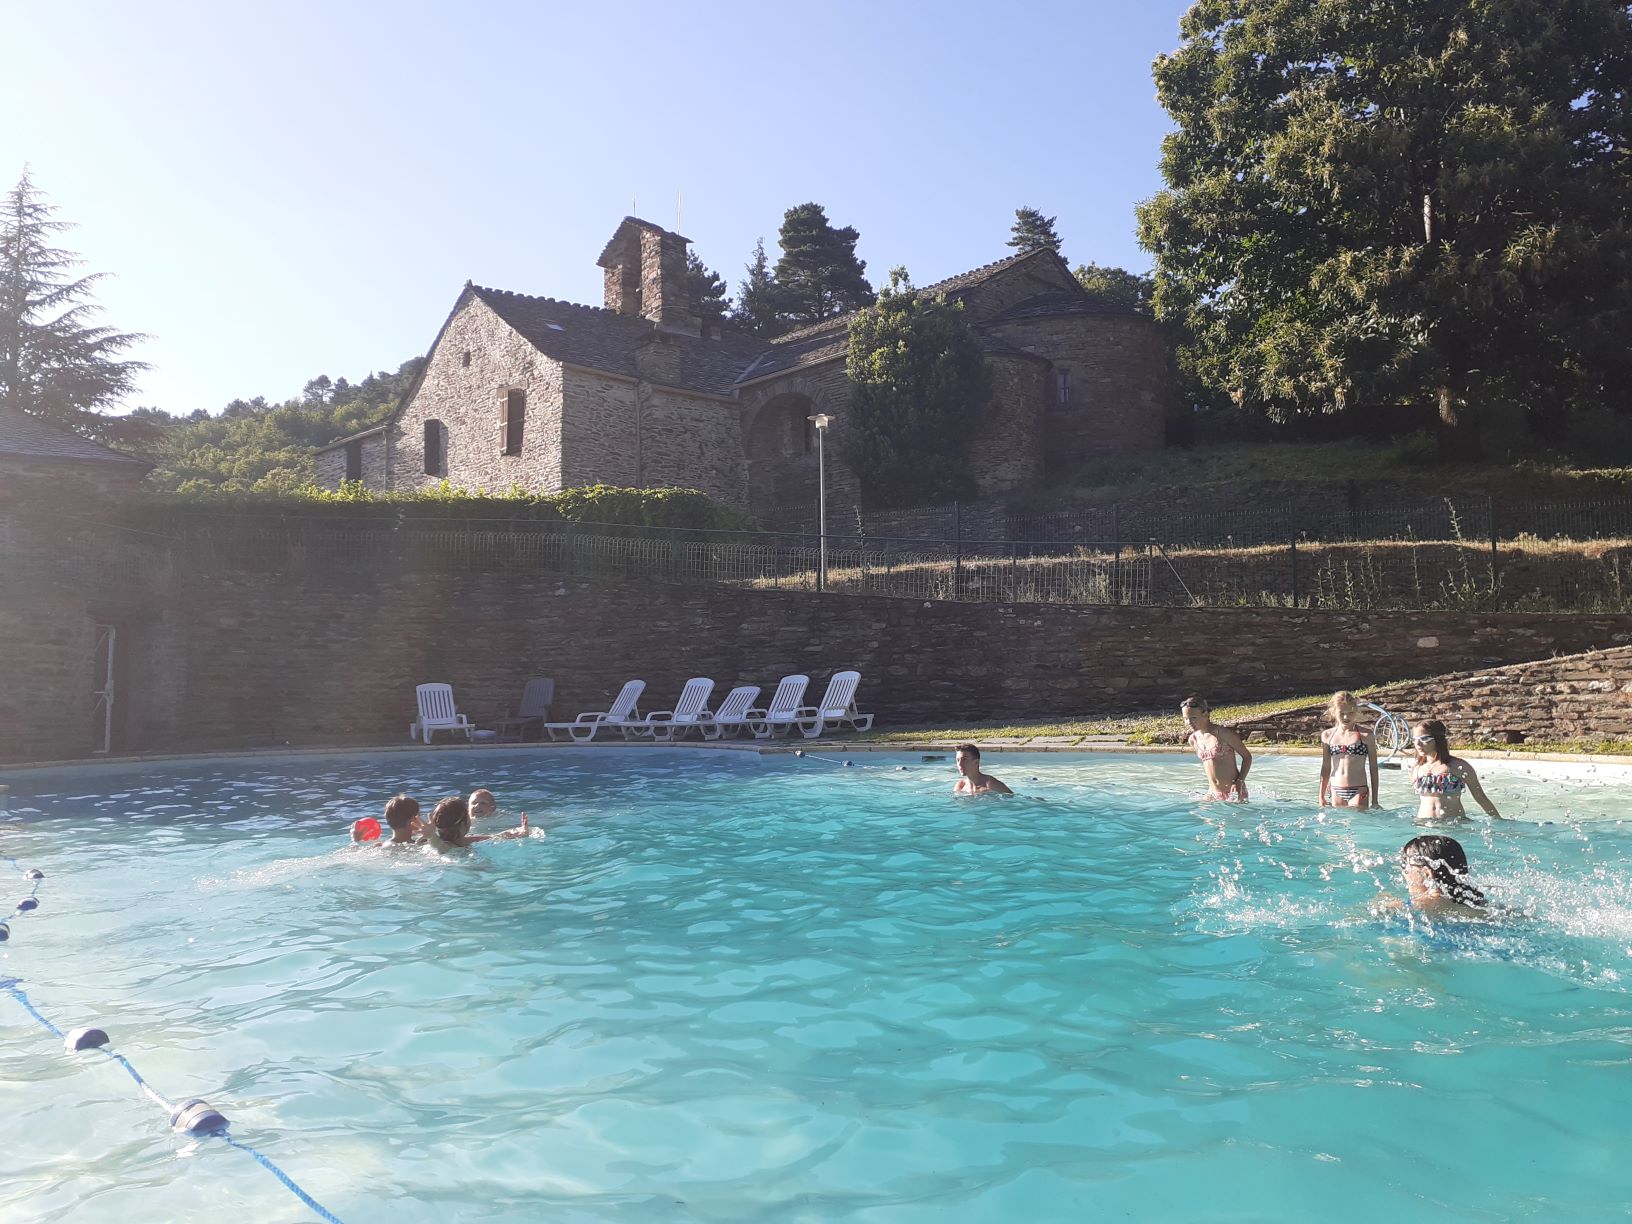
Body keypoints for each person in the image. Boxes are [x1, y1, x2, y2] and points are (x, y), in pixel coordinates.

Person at [1378, 834, 1490, 918]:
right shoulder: (1482, 906)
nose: (1403, 872)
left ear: (1427, 873)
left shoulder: (1407, 907)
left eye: (1405, 865)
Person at [1411, 719, 1501, 821]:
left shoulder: (1459, 766)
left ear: (1438, 739)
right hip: (1423, 825)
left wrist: (1498, 821)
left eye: (1424, 738)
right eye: (1414, 739)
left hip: (1454, 826)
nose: (1418, 744)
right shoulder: (1416, 768)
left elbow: (1480, 797)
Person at [1181, 695, 1251, 801]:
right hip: (1212, 793)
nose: (1189, 723)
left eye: (1193, 718)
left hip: (1234, 792)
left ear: (1205, 714)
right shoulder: (1194, 739)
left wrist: (1239, 782)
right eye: (1186, 719)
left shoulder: (1222, 734)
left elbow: (1247, 757)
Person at [1319, 690, 1379, 809]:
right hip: (1336, 789)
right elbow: (1326, 767)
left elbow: (1374, 768)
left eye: (1350, 712)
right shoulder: (1328, 736)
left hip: (1359, 790)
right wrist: (1320, 795)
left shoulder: (1366, 735)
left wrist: (1375, 800)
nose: (1346, 717)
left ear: (1356, 711)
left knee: (1357, 824)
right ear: (1334, 712)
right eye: (1342, 713)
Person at [428, 795, 528, 848]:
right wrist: (431, 837)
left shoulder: (464, 840)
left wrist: (520, 833)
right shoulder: (449, 846)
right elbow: (439, 847)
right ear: (464, 823)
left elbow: (495, 837)